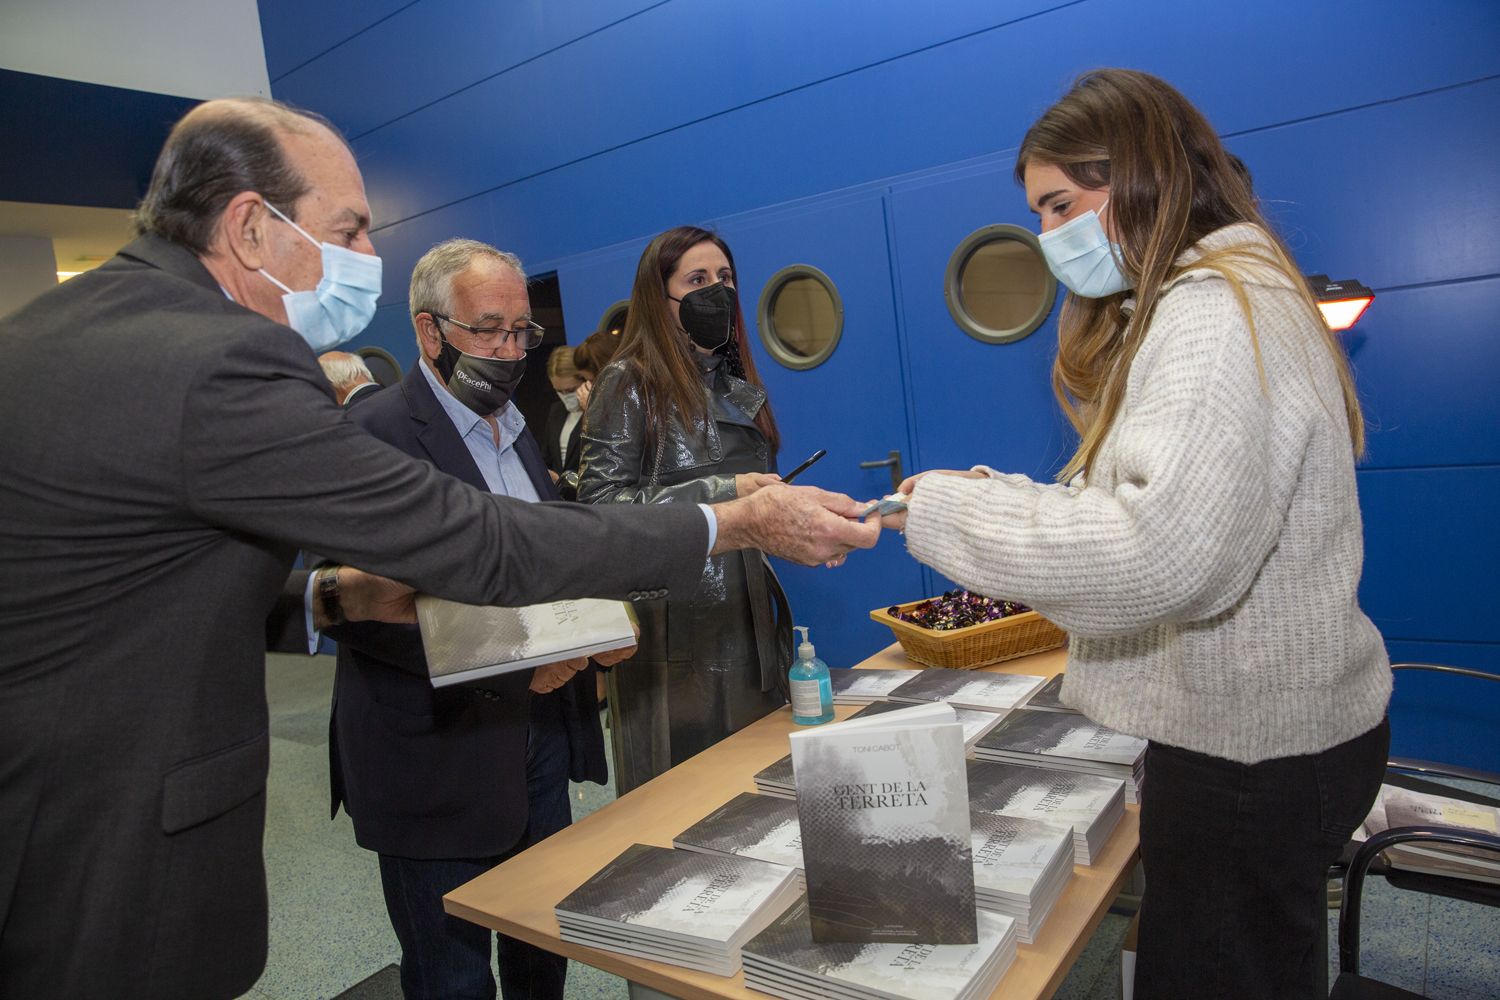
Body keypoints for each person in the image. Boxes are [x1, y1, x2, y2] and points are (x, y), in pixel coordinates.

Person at [0, 97, 878, 1000]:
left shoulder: (67, 329)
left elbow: (151, 569)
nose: (367, 260)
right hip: (99, 838)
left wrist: (328, 598)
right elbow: (483, 543)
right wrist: (728, 522)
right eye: (347, 229)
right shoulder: (219, 358)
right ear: (251, 227)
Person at [878, 69, 1390, 999]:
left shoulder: (1213, 311)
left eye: (1061, 204)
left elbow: (1162, 553)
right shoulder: (1225, 292)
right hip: (1280, 745)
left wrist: (947, 515)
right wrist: (978, 494)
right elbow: (1143, 498)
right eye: (1037, 214)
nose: (1048, 237)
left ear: (1146, 174)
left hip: (1250, 761)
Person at [326, 239, 628, 1000]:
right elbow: (361, 610)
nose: (509, 350)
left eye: (522, 332)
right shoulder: (371, 440)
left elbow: (542, 557)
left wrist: (596, 625)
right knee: (452, 975)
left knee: (540, 949)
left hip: (537, 744)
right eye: (488, 329)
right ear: (430, 333)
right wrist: (523, 659)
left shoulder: (517, 428)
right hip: (433, 753)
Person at [578, 225, 789, 794]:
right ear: (659, 295)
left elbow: (754, 492)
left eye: (725, 279)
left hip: (750, 623)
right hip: (670, 634)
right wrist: (727, 494)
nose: (715, 291)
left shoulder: (737, 383)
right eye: (696, 280)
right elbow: (599, 509)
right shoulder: (629, 382)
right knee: (684, 803)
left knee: (759, 793)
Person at [541, 344, 584, 485]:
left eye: (571, 390)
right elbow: (546, 457)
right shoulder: (556, 411)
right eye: (560, 391)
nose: (566, 396)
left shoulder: (600, 413)